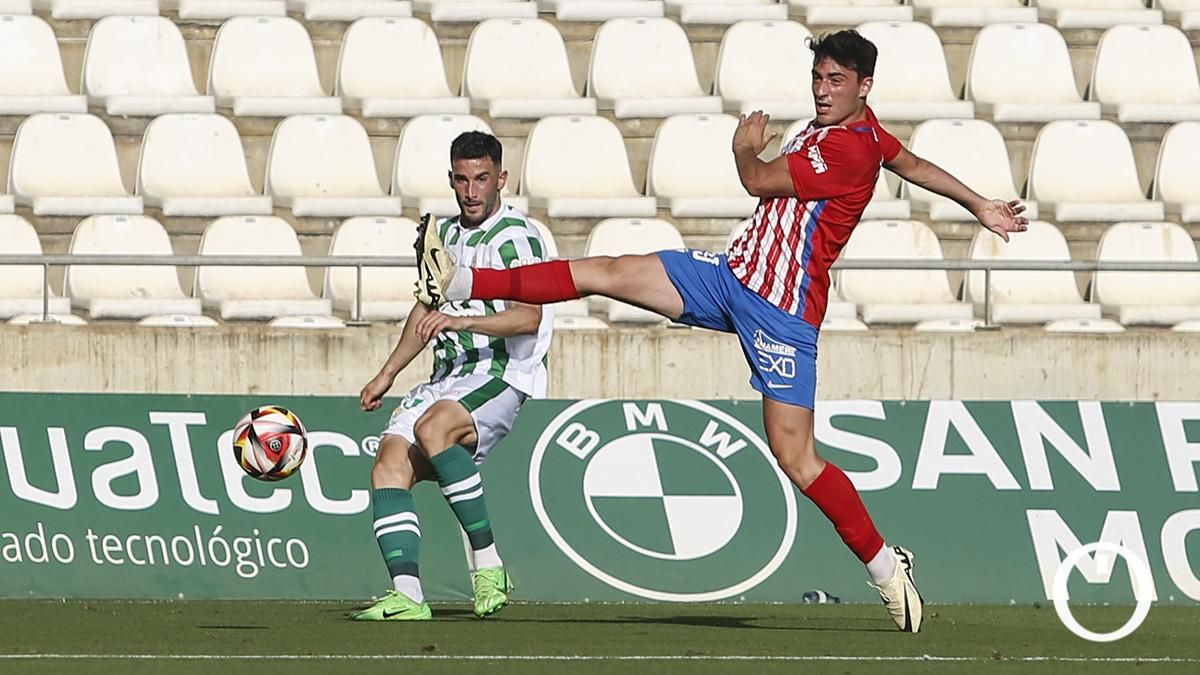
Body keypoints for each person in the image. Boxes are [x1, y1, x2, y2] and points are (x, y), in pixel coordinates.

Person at [413, 30, 1028, 633]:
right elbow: (912, 162)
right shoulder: (860, 131)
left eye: (835, 81)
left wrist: (744, 147)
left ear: (864, 86)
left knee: (797, 457)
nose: (822, 90)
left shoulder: (847, 149)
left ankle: (883, 564)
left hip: (779, 313)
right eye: (817, 77)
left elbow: (757, 180)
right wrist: (979, 204)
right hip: (732, 275)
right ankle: (467, 279)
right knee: (608, 269)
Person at [353, 131, 554, 621]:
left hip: (502, 370)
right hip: (447, 375)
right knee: (388, 465)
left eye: (482, 178)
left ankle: (489, 567)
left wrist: (464, 320)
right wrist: (387, 373)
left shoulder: (517, 237)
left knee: (434, 429)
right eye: (462, 180)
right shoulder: (442, 236)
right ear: (451, 179)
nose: (471, 190)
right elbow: (425, 308)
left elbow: (529, 316)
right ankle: (408, 596)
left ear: (500, 178)